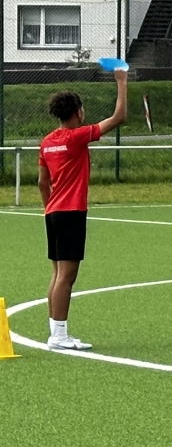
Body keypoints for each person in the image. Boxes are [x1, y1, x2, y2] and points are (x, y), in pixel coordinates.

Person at [37, 68, 128, 350]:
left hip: (53, 213)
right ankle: (59, 336)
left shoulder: (47, 142)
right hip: (71, 212)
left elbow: (42, 182)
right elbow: (119, 117)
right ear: (78, 112)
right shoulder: (76, 137)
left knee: (57, 274)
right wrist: (121, 82)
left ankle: (57, 331)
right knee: (67, 275)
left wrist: (49, 207)